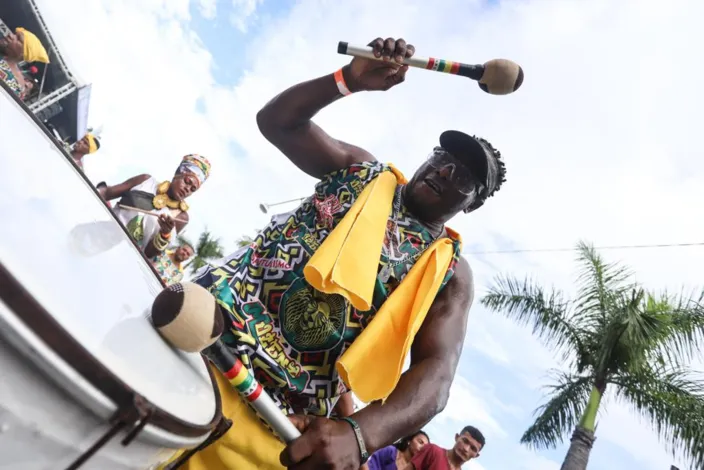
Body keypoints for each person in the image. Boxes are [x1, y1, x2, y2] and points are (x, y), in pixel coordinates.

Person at [170, 36, 506, 470]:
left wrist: (361, 434)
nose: (444, 169)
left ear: (473, 204)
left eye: (463, 175)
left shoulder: (451, 274)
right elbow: (278, 122)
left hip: (274, 417)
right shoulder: (361, 172)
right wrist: (347, 80)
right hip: (197, 330)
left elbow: (436, 375)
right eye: (443, 155)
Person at [102, 154, 210, 259]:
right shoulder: (145, 182)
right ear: (178, 173)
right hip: (101, 235)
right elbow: (106, 193)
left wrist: (164, 234)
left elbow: (149, 253)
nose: (188, 189)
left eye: (192, 189)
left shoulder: (181, 217)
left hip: (123, 258)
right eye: (187, 182)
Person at [0, 27, 49, 99]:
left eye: (18, 39)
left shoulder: (15, 85)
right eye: (15, 34)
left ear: (23, 53)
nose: (10, 35)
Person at [410, 426, 484, 469]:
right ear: (457, 437)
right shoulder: (433, 451)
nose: (466, 449)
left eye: (473, 449)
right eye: (465, 441)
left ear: (476, 455)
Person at [364, 430, 430, 470]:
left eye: (425, 447)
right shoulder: (390, 451)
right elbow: (367, 464)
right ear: (409, 441)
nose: (422, 448)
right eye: (420, 442)